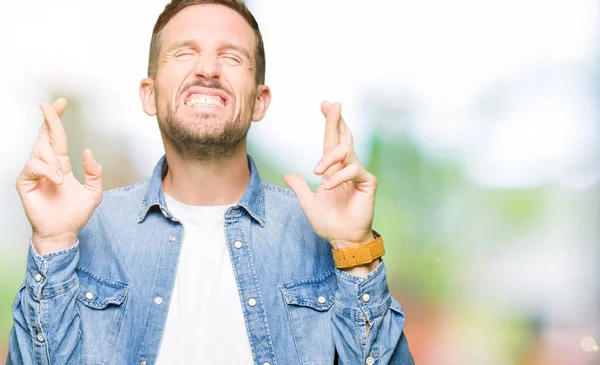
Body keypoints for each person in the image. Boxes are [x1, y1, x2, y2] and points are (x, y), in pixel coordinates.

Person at [8, 0, 414, 364]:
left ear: (260, 100)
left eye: (232, 57)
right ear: (148, 94)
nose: (207, 68)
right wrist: (54, 243)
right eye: (184, 53)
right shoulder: (87, 231)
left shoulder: (321, 234)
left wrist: (355, 250)